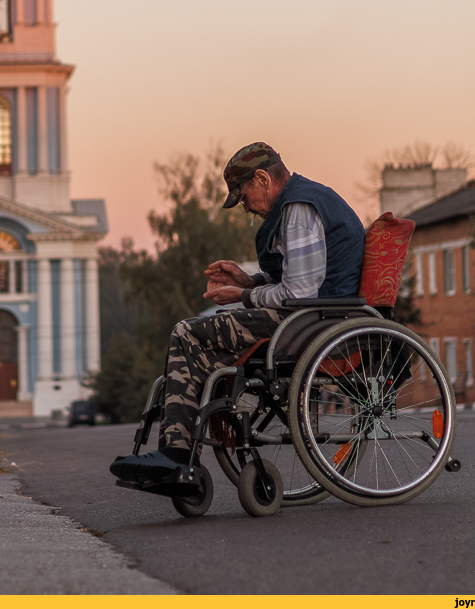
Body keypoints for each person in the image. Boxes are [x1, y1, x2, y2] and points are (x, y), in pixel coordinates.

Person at [110, 141, 366, 484]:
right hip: (309, 316)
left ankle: (178, 453)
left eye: (244, 196)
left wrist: (246, 295)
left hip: (312, 322)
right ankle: (178, 456)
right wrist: (250, 279)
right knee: (195, 343)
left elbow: (300, 294)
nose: (246, 208)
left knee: (188, 332)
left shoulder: (299, 208)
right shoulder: (299, 204)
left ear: (262, 178)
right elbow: (298, 282)